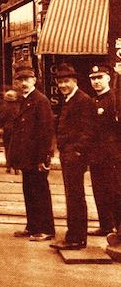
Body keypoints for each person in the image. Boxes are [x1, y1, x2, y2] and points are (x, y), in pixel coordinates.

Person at [50, 63, 96, 251]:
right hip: (68, 155)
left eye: (66, 81)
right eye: (60, 82)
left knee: (75, 197)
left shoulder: (82, 100)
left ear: (75, 81)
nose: (62, 85)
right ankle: (74, 236)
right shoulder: (70, 99)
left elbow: (87, 131)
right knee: (72, 196)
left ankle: (76, 238)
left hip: (74, 157)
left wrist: (76, 152)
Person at [8, 64, 56, 242]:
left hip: (37, 158)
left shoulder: (40, 100)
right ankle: (33, 226)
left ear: (34, 80)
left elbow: (46, 131)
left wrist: (44, 158)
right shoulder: (25, 100)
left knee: (40, 192)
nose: (23, 83)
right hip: (27, 157)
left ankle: (47, 229)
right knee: (29, 192)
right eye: (20, 80)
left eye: (27, 79)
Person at [86, 65, 121, 238]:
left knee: (114, 190)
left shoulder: (115, 99)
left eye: (100, 77)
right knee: (99, 190)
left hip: (112, 154)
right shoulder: (94, 101)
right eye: (93, 78)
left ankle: (117, 227)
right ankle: (105, 225)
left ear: (108, 78)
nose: (96, 81)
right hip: (96, 155)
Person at [0, 89, 20, 174]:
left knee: (7, 148)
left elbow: (1, 118)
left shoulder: (3, 107)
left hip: (7, 130)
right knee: (16, 149)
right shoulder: (18, 106)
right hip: (17, 130)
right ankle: (16, 167)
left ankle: (8, 166)